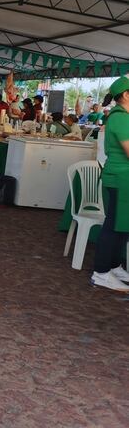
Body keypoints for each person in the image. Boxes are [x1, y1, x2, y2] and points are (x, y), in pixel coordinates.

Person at [90, 77, 129, 291]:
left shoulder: (123, 116)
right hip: (121, 176)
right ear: (126, 95)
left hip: (124, 177)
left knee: (123, 225)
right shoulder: (121, 118)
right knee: (114, 225)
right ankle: (101, 272)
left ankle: (113, 266)